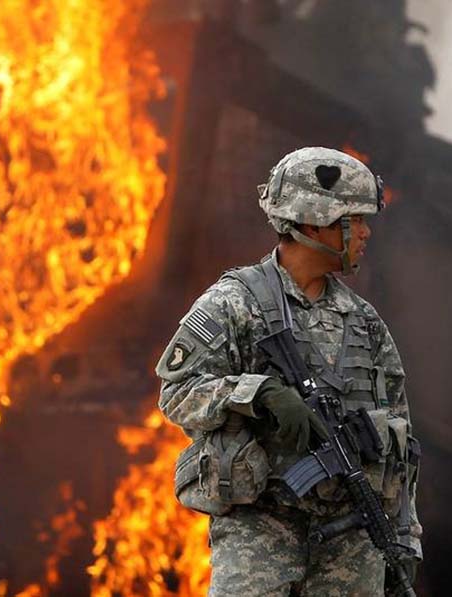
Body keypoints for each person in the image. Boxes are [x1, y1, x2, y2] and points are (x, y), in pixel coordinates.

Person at [156, 146, 421, 596]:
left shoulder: (365, 323)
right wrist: (257, 394)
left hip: (351, 534)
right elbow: (177, 393)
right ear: (316, 220)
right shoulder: (234, 303)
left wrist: (404, 539)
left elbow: (400, 441)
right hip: (262, 531)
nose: (365, 233)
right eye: (354, 220)